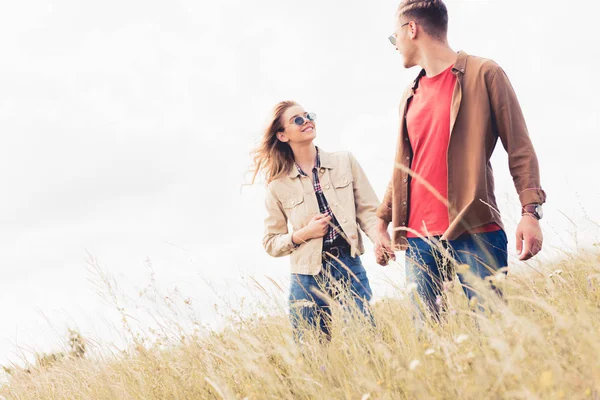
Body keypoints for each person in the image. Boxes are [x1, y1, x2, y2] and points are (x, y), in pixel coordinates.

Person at [375, 0, 547, 319]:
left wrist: (530, 211)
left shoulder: (484, 73)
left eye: (393, 37)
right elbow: (405, 165)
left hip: (475, 229)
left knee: (491, 335)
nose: (395, 45)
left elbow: (519, 146)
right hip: (418, 239)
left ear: (411, 29)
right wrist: (382, 221)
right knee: (429, 347)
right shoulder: (409, 94)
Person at [252, 101, 381, 341]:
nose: (307, 121)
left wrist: (380, 240)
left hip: (348, 264)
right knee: (312, 350)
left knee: (367, 340)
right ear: (282, 135)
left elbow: (368, 211)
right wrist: (305, 233)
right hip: (305, 274)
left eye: (308, 115)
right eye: (297, 120)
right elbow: (271, 242)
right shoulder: (277, 185)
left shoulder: (344, 161)